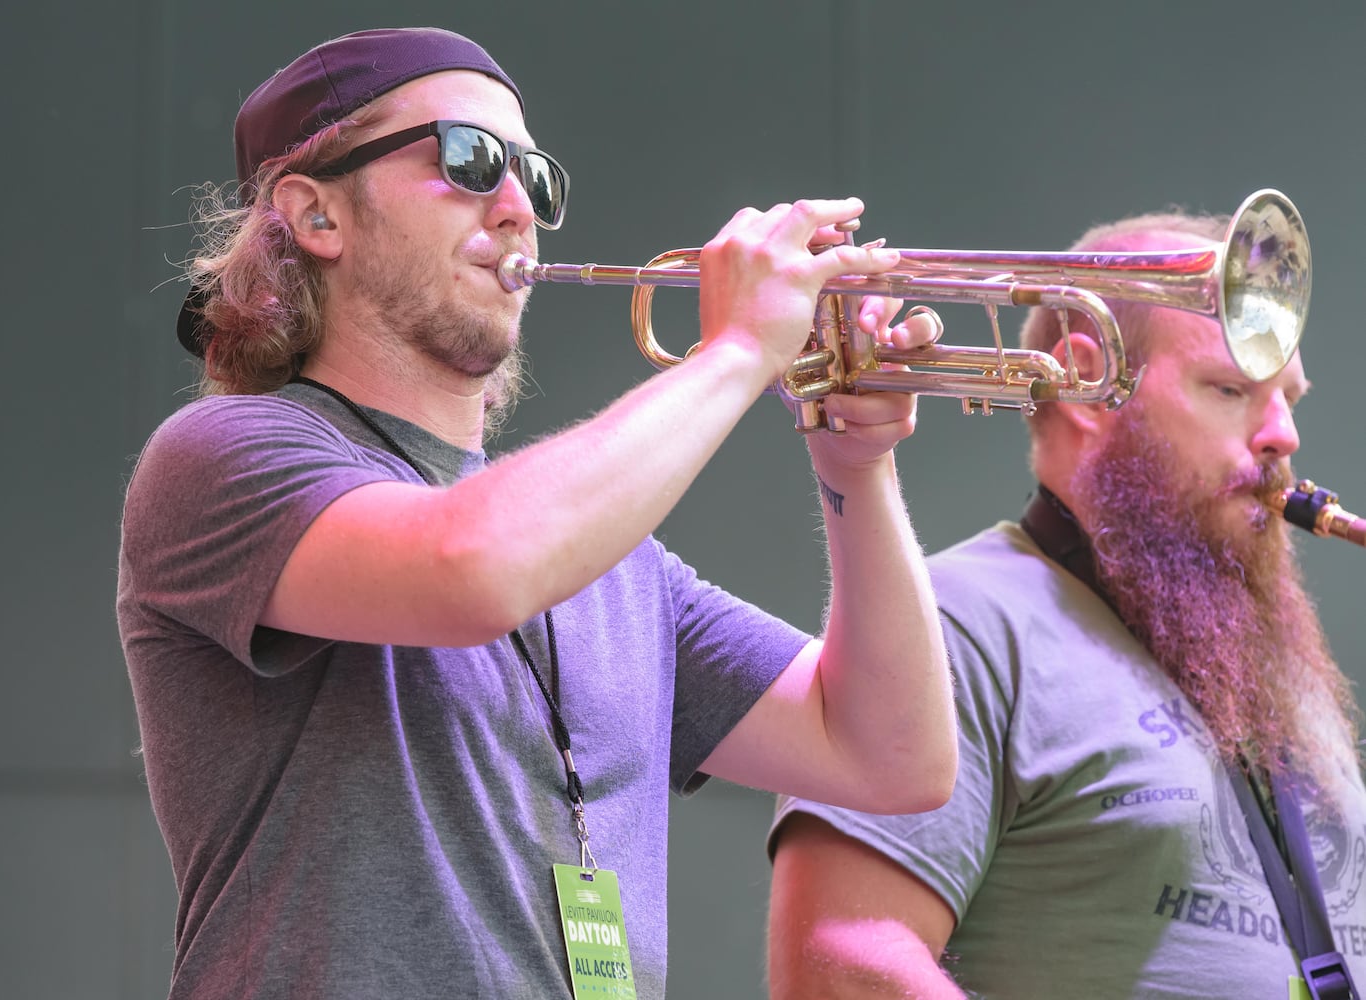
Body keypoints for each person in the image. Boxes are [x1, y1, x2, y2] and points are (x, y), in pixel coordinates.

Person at [116, 26, 957, 999]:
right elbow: (471, 568)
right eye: (468, 161)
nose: (519, 209)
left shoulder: (621, 567)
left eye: (537, 179)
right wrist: (736, 353)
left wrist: (852, 454)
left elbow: (892, 753)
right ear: (315, 214)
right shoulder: (222, 456)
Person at [768, 207, 1366, 998]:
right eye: (1231, 388)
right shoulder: (951, 624)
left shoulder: (1264, 667)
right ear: (1089, 381)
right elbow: (840, 964)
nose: (1283, 436)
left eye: (1290, 397)